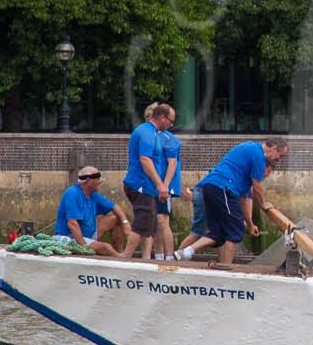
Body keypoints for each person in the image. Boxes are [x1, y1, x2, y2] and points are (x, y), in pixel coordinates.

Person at [178, 137, 289, 266]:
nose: (279, 160)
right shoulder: (259, 156)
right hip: (223, 188)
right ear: (274, 149)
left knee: (218, 232)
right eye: (280, 156)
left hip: (209, 187)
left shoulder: (248, 151)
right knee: (236, 231)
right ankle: (225, 267)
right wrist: (264, 204)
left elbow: (244, 199)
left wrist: (250, 223)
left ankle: (187, 251)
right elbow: (257, 186)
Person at [119, 102, 173, 259]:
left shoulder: (153, 132)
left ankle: (146, 258)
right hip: (140, 184)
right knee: (142, 221)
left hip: (147, 186)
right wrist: (160, 185)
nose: (171, 125)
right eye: (170, 121)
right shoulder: (147, 133)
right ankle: (126, 256)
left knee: (150, 224)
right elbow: (145, 159)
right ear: (162, 118)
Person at [54, 166, 131, 256]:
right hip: (70, 237)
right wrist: (84, 248)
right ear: (88, 181)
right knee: (106, 247)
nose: (100, 182)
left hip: (89, 234)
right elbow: (72, 224)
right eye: (98, 179)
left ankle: (120, 251)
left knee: (116, 219)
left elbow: (114, 207)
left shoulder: (93, 194)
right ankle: (120, 258)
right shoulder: (72, 193)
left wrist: (125, 223)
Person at [152, 105, 182, 262]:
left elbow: (172, 164)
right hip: (154, 186)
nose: (171, 124)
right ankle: (158, 256)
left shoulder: (170, 139)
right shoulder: (152, 136)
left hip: (164, 186)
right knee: (156, 221)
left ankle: (169, 257)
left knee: (162, 221)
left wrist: (165, 185)